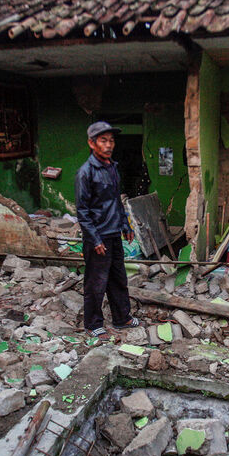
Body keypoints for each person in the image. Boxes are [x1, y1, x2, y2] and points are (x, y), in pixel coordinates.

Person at [75, 121, 141, 340]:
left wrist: (126, 224)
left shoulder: (113, 168)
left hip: (113, 233)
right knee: (96, 282)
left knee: (118, 278)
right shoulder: (85, 173)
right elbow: (82, 211)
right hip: (98, 237)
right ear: (91, 143)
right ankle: (93, 324)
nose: (109, 145)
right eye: (103, 140)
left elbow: (116, 200)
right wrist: (94, 239)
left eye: (111, 140)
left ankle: (122, 317)